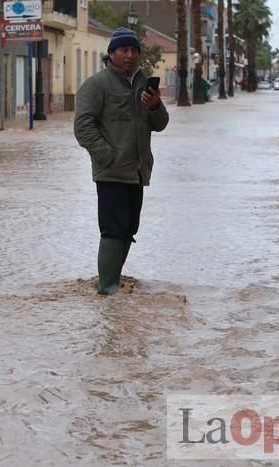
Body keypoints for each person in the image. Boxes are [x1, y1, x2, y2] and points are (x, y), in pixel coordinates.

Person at [74, 27, 169, 295]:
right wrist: (108, 156)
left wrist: (155, 106)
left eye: (134, 50)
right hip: (111, 171)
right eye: (123, 50)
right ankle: (107, 289)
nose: (129, 55)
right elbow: (83, 128)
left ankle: (112, 279)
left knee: (129, 228)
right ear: (112, 53)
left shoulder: (142, 84)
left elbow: (160, 125)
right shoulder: (96, 85)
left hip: (137, 171)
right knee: (113, 229)